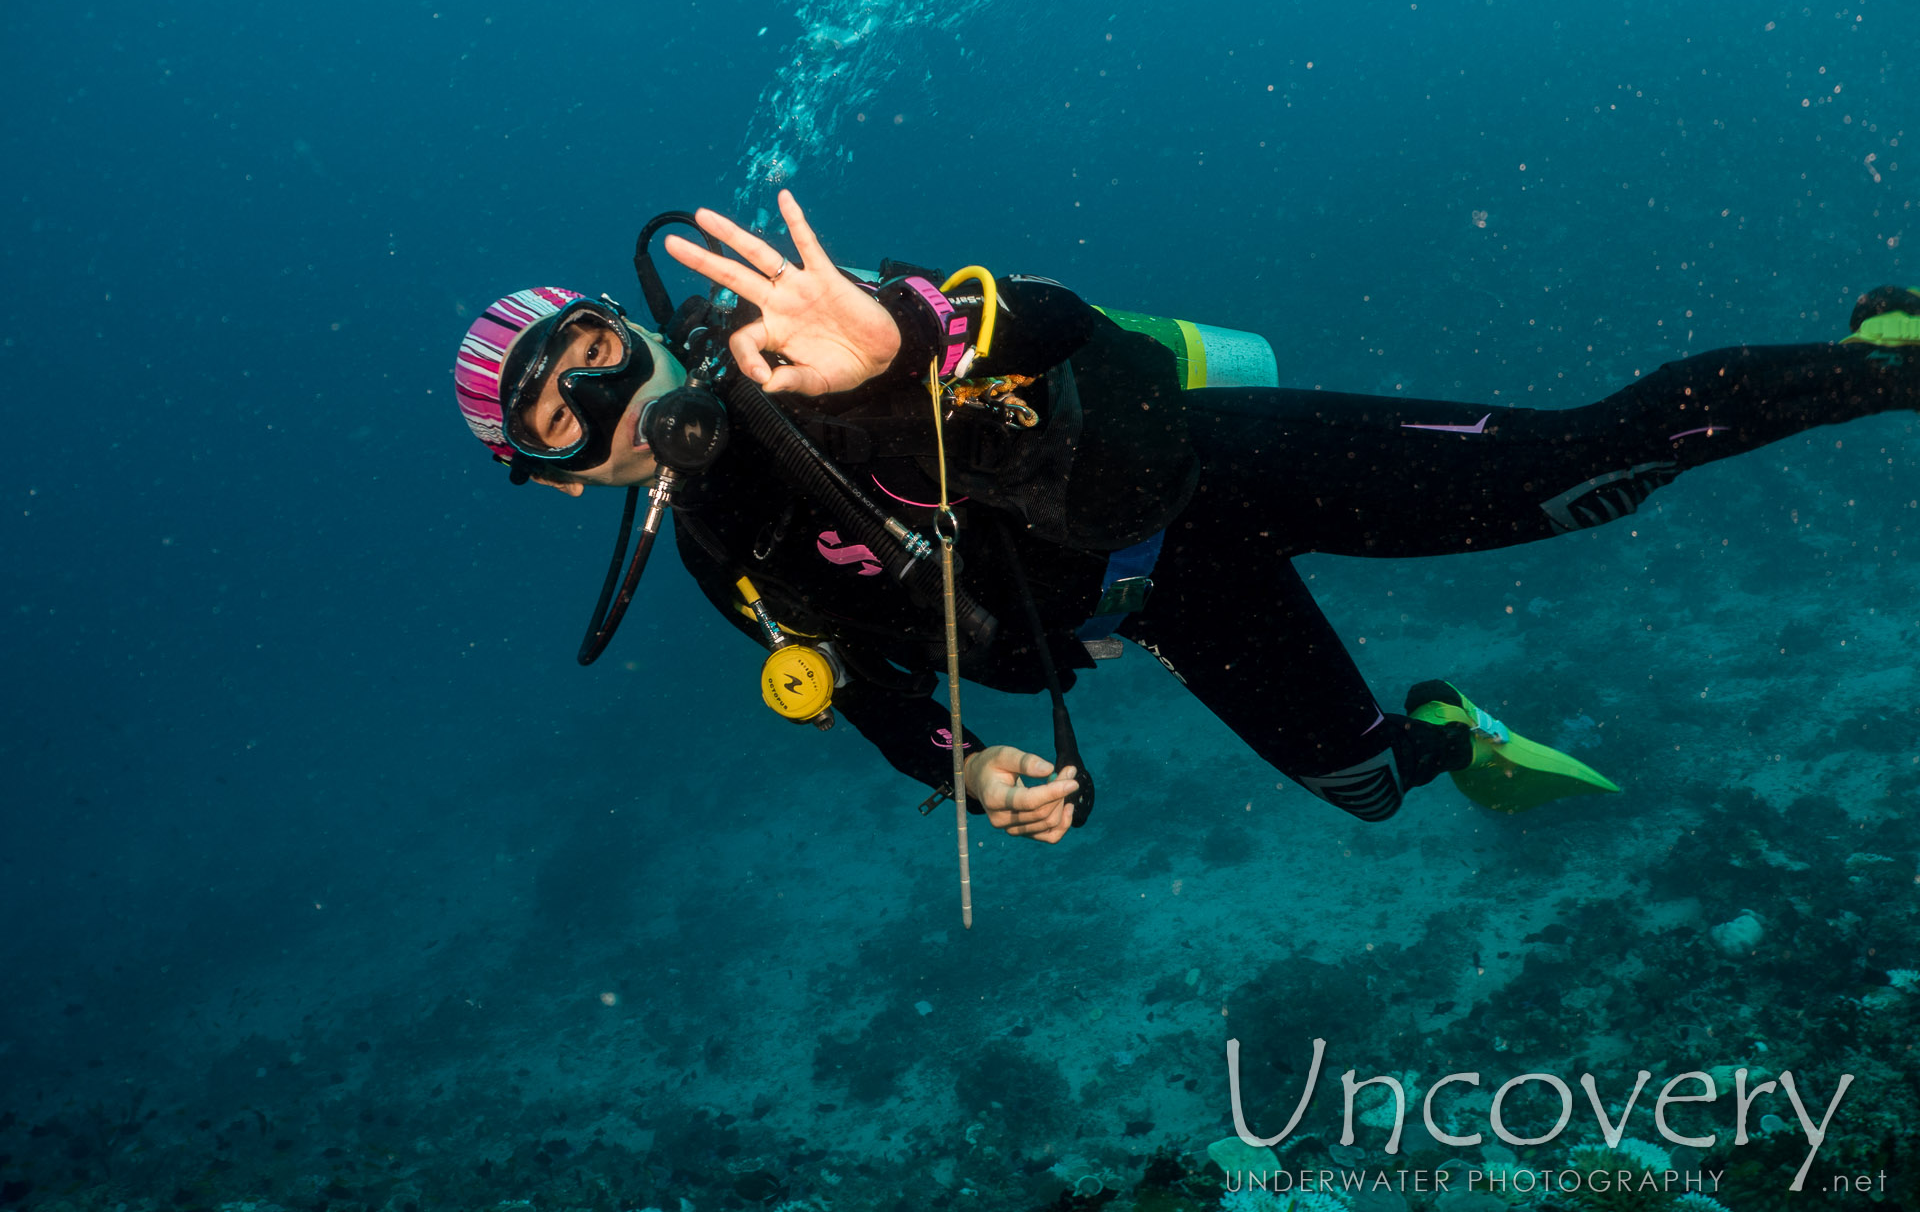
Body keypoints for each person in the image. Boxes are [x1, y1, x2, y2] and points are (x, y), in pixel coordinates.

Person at [455, 190, 1920, 844]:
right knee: (1367, 794)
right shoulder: (727, 561)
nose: (603, 394)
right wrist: (969, 779)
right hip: (1163, 606)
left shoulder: (799, 338)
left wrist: (901, 345)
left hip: (1219, 467)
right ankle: (1450, 729)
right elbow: (876, 696)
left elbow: (1050, 317)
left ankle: (1887, 359)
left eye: (594, 348)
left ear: (634, 325)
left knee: (1588, 466)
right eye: (556, 414)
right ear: (555, 479)